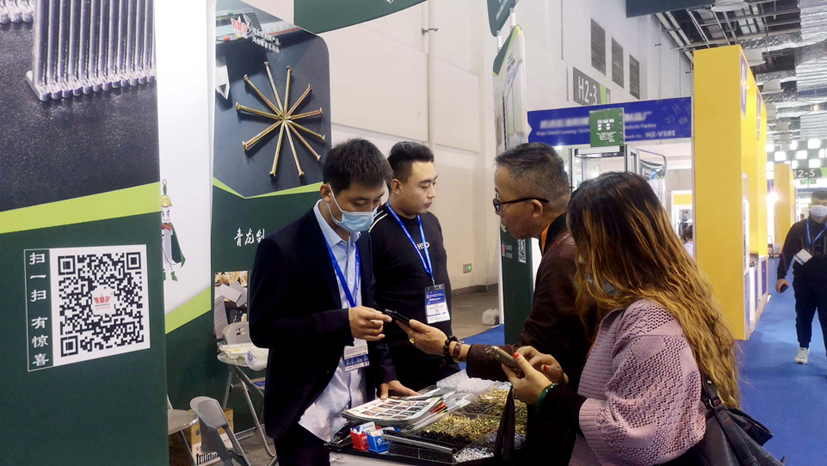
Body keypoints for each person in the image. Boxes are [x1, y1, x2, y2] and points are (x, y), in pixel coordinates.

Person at [502, 172, 739, 465]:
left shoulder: (650, 321)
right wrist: (563, 380)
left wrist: (547, 395)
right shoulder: (653, 303)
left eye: (587, 245)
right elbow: (630, 392)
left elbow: (633, 437)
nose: (581, 259)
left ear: (622, 243)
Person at [398, 143, 591, 463]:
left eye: (500, 200)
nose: (498, 210)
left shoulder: (562, 257)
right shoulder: (566, 243)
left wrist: (451, 348)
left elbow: (530, 356)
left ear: (535, 208)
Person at [249, 139, 416, 466]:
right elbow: (264, 328)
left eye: (377, 202)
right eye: (358, 203)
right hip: (307, 413)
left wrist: (385, 372)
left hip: (360, 408)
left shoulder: (364, 241)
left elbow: (371, 311)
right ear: (327, 192)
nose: (368, 213)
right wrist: (341, 322)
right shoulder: (283, 248)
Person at [369, 142, 459, 390]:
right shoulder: (374, 232)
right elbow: (369, 304)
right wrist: (384, 369)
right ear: (396, 186)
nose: (433, 193)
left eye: (434, 183)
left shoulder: (431, 222)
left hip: (443, 353)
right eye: (424, 185)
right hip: (403, 366)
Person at [776, 189, 827, 365]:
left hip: (826, 283)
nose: (821, 207)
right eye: (817, 203)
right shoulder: (798, 228)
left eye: (825, 204)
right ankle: (803, 347)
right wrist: (781, 276)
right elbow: (786, 253)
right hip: (803, 281)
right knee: (803, 316)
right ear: (810, 205)